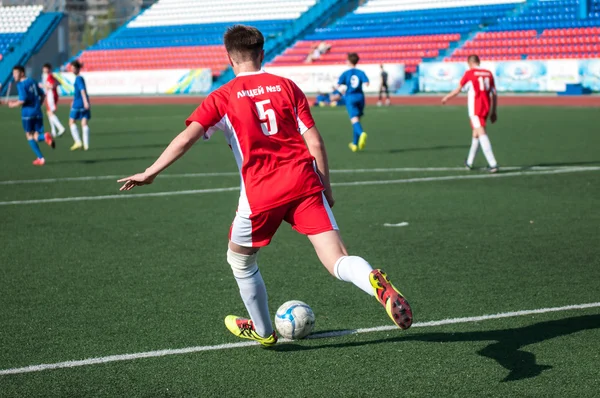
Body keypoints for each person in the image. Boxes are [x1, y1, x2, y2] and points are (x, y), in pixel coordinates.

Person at [117, 25, 412, 347]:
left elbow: (186, 138)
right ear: (262, 53)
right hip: (304, 182)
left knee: (241, 261)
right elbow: (314, 139)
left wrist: (151, 170)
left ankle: (264, 331)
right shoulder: (286, 86)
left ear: (229, 58)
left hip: (262, 192)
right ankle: (374, 283)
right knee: (337, 258)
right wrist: (325, 185)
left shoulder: (222, 97)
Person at [442, 55, 499, 173]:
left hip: (475, 109)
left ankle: (493, 163)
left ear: (469, 63)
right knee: (476, 134)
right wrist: (494, 111)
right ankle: (469, 162)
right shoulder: (488, 73)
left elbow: (458, 89)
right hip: (486, 108)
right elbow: (494, 93)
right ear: (479, 61)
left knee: (481, 133)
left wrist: (447, 97)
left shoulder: (469, 74)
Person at [5, 66, 55, 166]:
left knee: (29, 135)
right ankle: (44, 137)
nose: (14, 75)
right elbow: (43, 95)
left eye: (16, 73)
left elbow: (22, 100)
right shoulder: (33, 81)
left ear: (22, 73)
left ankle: (41, 157)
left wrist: (12, 104)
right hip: (37, 112)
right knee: (35, 136)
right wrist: (38, 105)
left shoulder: (21, 84)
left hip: (27, 113)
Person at [337, 53, 369, 152]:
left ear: (349, 61)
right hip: (360, 97)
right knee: (357, 120)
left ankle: (361, 133)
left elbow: (339, 85)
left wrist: (341, 91)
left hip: (350, 97)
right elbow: (367, 83)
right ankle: (355, 144)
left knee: (354, 120)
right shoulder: (361, 72)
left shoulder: (345, 73)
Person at [68, 60, 91, 151]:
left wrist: (84, 102)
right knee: (84, 123)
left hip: (79, 103)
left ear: (77, 69)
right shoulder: (80, 78)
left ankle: (78, 141)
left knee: (71, 122)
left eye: (73, 68)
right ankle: (86, 145)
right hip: (81, 102)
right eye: (71, 68)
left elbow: (82, 90)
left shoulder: (78, 78)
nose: (72, 70)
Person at [41, 63, 66, 138]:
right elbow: (58, 83)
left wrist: (43, 85)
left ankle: (60, 128)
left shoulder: (49, 76)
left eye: (46, 68)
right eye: (44, 68)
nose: (45, 70)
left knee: (50, 112)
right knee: (49, 113)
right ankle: (53, 131)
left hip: (51, 95)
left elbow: (52, 86)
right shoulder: (47, 76)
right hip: (50, 95)